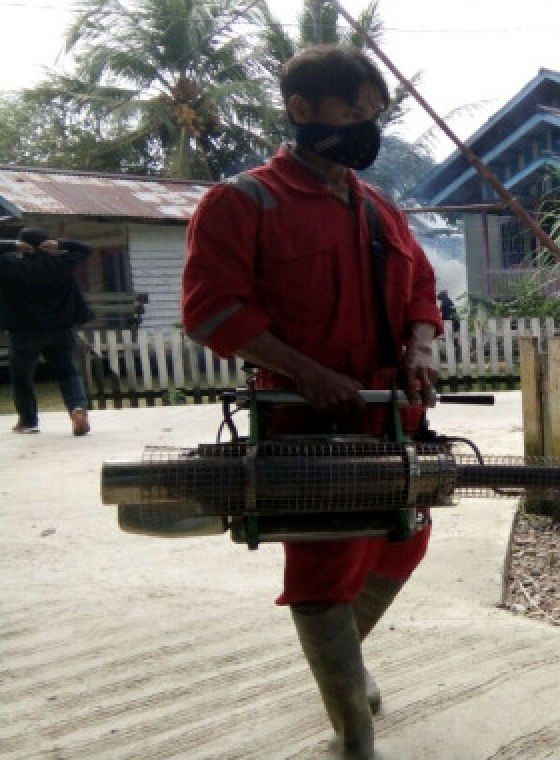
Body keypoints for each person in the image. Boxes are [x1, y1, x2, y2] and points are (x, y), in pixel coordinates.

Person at [181, 45, 443, 759]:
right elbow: (211, 313)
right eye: (352, 112)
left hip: (392, 414)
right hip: (303, 421)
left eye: (374, 115)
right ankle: (352, 732)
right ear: (301, 111)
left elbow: (422, 290)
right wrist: (305, 372)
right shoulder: (242, 202)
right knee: (325, 565)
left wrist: (420, 349)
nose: (366, 127)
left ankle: (345, 671)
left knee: (405, 540)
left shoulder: (380, 206)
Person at [0, 228, 92, 436]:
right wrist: (61, 244)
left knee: (22, 377)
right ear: (45, 244)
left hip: (24, 332)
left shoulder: (10, 265)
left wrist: (11, 246)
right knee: (68, 373)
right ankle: (77, 409)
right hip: (60, 330)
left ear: (22, 245)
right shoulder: (61, 264)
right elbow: (87, 249)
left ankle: (28, 422)